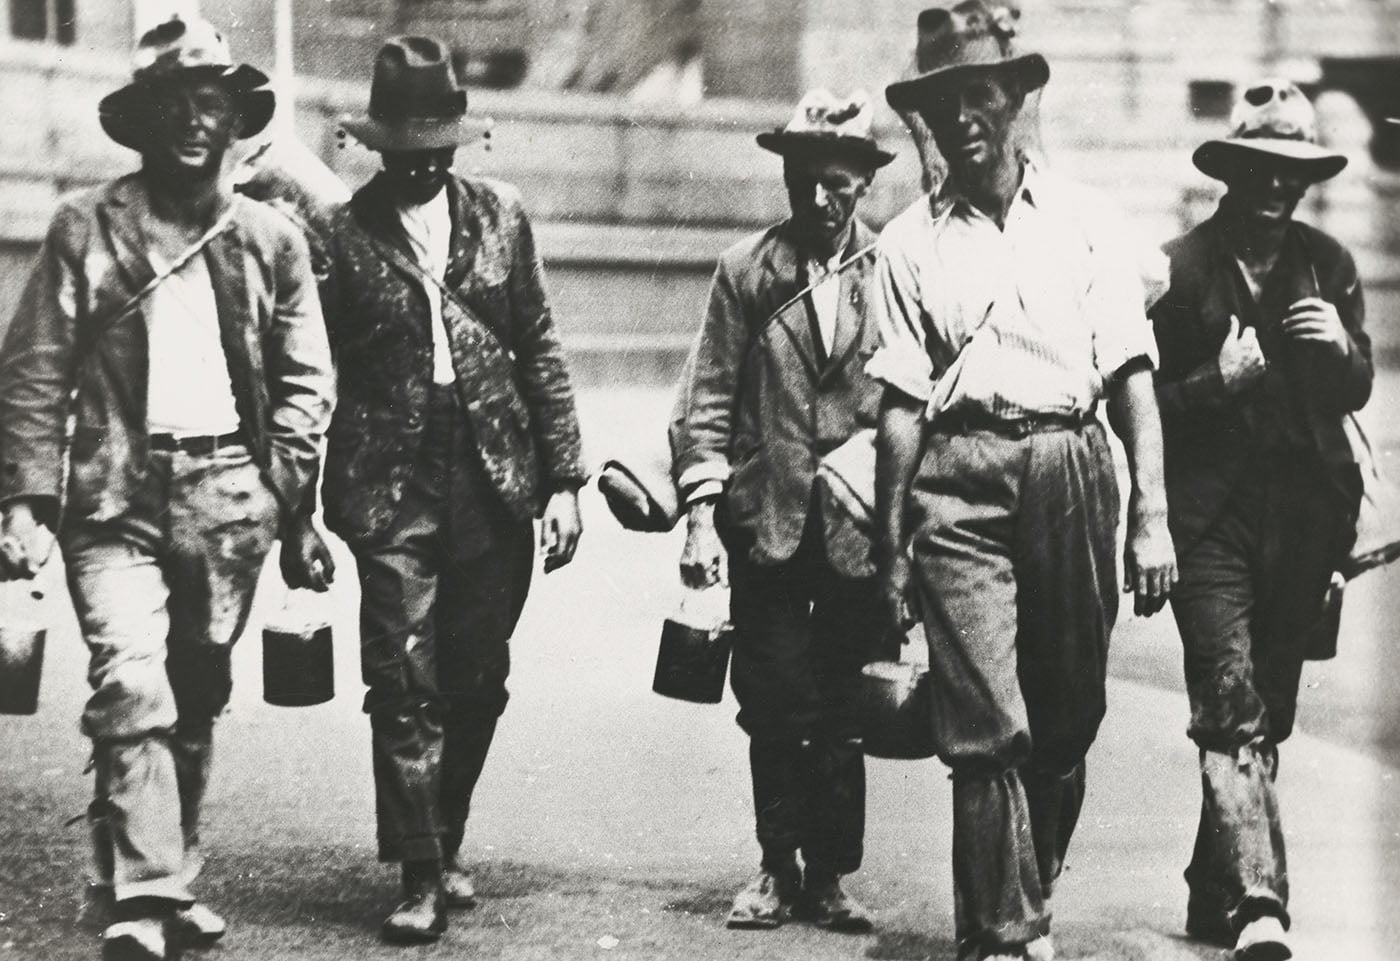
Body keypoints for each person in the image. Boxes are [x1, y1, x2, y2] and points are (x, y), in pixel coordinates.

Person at [0, 16, 334, 961]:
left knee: (194, 688)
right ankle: (144, 897)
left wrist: (285, 492)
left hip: (232, 494)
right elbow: (34, 368)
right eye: (176, 103)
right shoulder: (84, 225)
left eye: (214, 103)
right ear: (144, 119)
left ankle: (157, 871)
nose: (196, 119)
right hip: (113, 495)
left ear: (235, 119)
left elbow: (308, 377)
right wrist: (25, 499)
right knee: (131, 676)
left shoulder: (270, 238)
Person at [872, 5, 1177, 960]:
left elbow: (1132, 374)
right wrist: (891, 548)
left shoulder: (1091, 222)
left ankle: (1024, 895)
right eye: (940, 102)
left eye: (979, 94)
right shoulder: (907, 242)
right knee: (984, 722)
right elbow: (899, 412)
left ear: (1016, 99)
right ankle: (1001, 934)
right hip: (958, 484)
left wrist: (1151, 518)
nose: (961, 118)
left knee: (1066, 714)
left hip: (1073, 469)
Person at [317, 36, 585, 945]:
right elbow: (311, 368)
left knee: (475, 674)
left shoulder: (501, 215)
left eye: (439, 141)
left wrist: (565, 481)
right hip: (388, 477)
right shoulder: (341, 235)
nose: (424, 160)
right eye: (407, 144)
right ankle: (421, 869)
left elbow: (539, 344)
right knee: (401, 676)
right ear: (380, 144)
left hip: (493, 470)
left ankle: (448, 829)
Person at [1149, 80, 1371, 961]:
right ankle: (1259, 902)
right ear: (1234, 172)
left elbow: (1356, 389)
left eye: (1295, 171)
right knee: (1230, 701)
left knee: (1266, 712)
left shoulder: (1329, 264)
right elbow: (1142, 405)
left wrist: (1340, 349)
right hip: (1208, 524)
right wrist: (1219, 383)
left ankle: (1213, 891)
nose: (1279, 187)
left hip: (1305, 522)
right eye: (1263, 169)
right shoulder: (1178, 267)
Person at [669, 88, 897, 932]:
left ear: (866, 184)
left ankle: (831, 873)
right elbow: (709, 398)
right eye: (807, 179)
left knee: (843, 703)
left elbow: (915, 400)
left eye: (839, 182)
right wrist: (700, 517)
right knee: (771, 698)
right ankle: (774, 864)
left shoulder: (893, 269)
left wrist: (897, 525)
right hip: (765, 521)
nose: (821, 198)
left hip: (856, 526)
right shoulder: (746, 271)